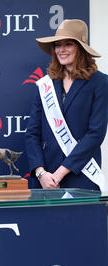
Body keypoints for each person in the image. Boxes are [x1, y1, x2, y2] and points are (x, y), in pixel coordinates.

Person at [26, 19, 108, 191]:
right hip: (45, 180)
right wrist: (41, 173)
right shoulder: (45, 85)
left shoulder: (100, 82)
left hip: (81, 177)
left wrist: (59, 174)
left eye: (68, 44)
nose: (61, 50)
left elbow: (96, 133)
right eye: (57, 45)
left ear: (81, 48)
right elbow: (32, 134)